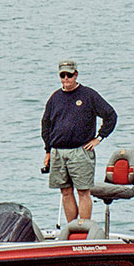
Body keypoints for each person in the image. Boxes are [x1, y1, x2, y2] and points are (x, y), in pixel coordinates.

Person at [41, 59, 117, 222]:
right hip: (58, 153)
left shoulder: (88, 95)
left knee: (83, 191)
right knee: (66, 191)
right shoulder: (54, 98)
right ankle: (71, 228)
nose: (66, 79)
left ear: (76, 75)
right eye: (63, 75)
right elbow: (45, 124)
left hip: (81, 152)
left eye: (69, 75)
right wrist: (48, 151)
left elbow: (111, 115)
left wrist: (99, 138)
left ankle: (84, 228)